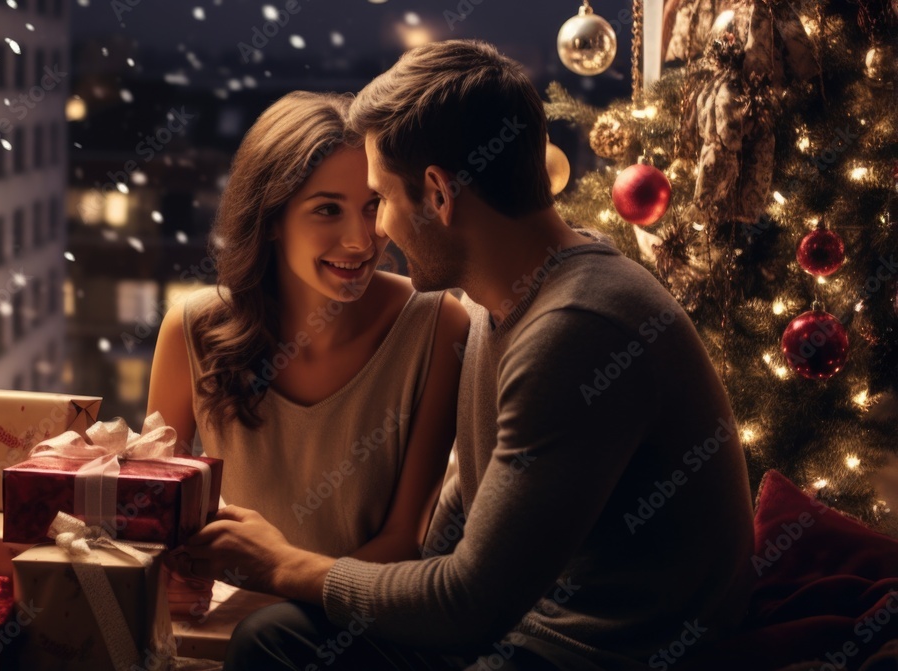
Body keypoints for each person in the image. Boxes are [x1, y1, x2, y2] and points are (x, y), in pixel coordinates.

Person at [175, 41, 757, 670]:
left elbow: (468, 602)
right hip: (517, 631)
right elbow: (445, 551)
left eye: (381, 202)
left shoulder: (580, 328)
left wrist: (286, 564)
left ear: (439, 194)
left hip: (597, 652)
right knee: (276, 637)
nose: (375, 235)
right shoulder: (494, 307)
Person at [147, 91, 469, 613]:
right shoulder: (191, 328)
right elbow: (152, 519)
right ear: (271, 218)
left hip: (356, 634)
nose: (361, 241)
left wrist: (277, 597)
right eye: (327, 210)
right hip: (217, 629)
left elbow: (404, 543)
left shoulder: (436, 325)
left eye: (372, 207)